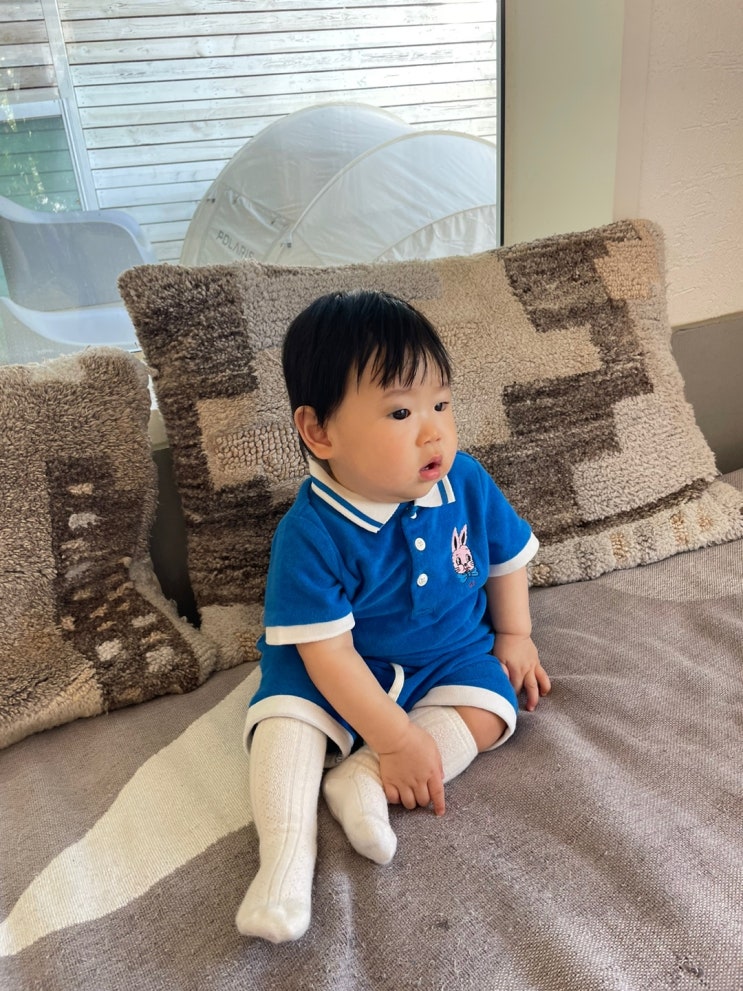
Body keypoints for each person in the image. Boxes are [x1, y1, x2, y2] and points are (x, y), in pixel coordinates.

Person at [236, 289, 551, 943]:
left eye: (441, 404)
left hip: (447, 652)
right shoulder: (312, 531)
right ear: (319, 431)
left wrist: (515, 633)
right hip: (339, 666)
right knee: (284, 717)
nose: (432, 431)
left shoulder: (464, 481)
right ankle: (286, 859)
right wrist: (396, 737)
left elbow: (505, 557)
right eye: (402, 412)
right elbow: (327, 655)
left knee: (495, 708)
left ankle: (361, 782)